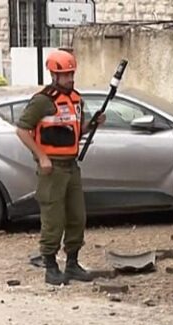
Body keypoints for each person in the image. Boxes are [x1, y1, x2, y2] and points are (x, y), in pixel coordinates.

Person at [15, 49, 105, 285]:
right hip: (52, 168)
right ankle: (51, 266)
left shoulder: (76, 99)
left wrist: (92, 124)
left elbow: (75, 132)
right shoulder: (42, 101)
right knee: (53, 218)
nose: (70, 78)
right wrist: (42, 157)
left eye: (71, 74)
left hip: (71, 166)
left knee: (77, 216)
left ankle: (72, 264)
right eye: (65, 75)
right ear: (54, 75)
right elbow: (22, 130)